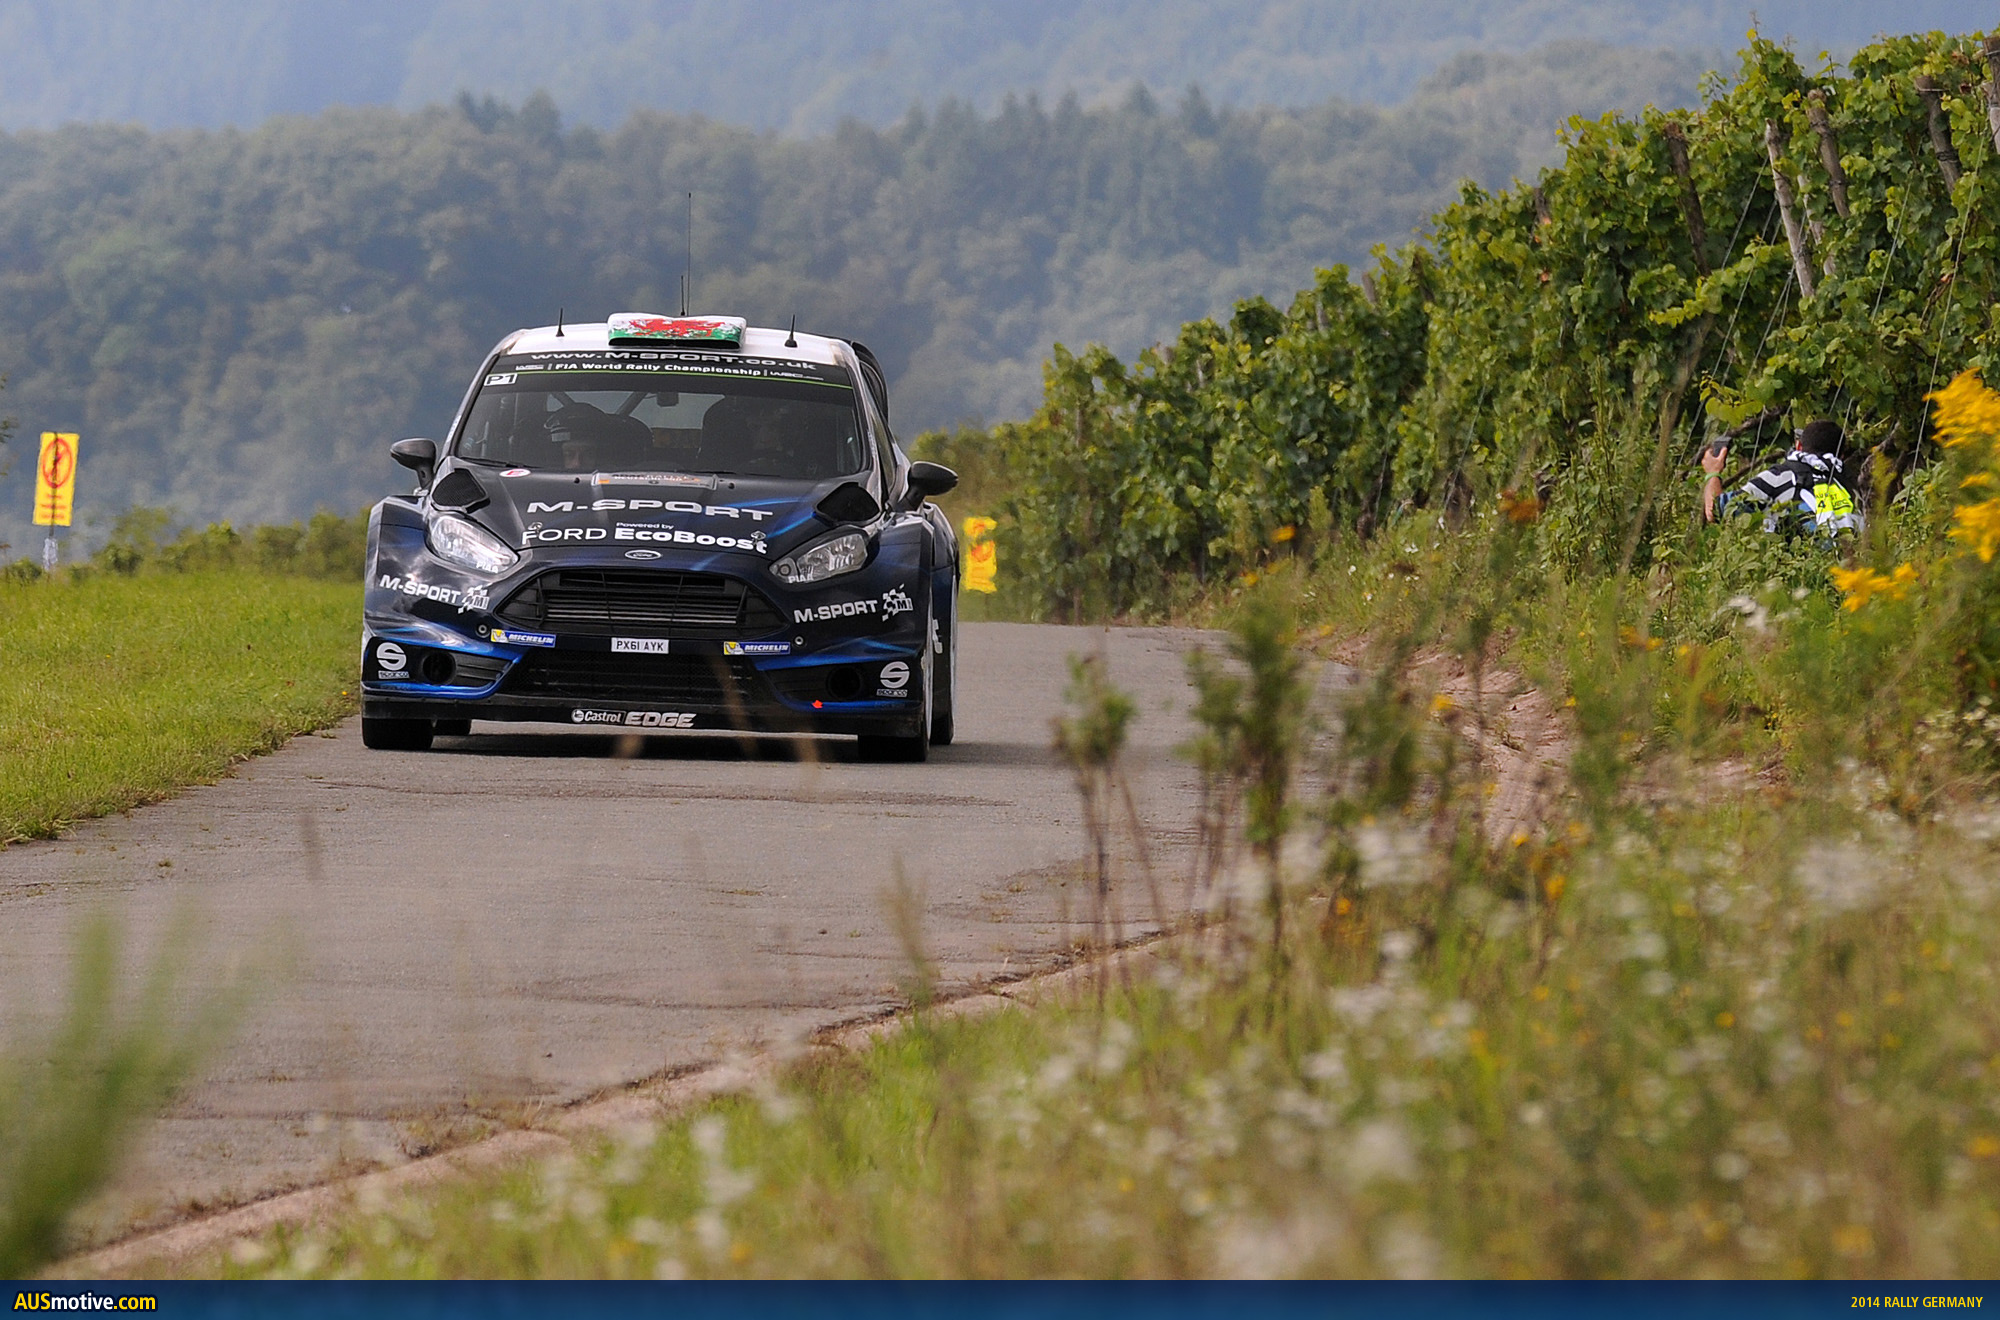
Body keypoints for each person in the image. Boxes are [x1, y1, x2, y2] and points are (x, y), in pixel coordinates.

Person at [1701, 418, 1861, 536]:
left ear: (1799, 446)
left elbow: (1716, 510)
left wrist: (1713, 472)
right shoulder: (1854, 484)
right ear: (1841, 455)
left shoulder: (1781, 476)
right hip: (1855, 565)